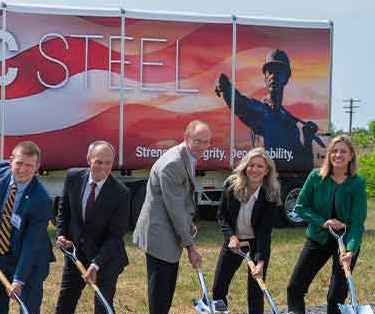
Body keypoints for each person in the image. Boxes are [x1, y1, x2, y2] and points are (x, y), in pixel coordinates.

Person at [134, 120, 211, 314]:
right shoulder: (173, 164)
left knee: (166, 288)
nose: (204, 146)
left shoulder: (187, 155)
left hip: (167, 231)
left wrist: (188, 221)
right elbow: (174, 209)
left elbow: (181, 198)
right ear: (186, 138)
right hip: (160, 236)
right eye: (199, 141)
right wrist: (190, 247)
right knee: (161, 292)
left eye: (207, 142)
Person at [286, 135, 367, 313]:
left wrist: (350, 250)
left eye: (343, 151)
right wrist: (323, 222)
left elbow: (357, 222)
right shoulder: (316, 177)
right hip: (318, 238)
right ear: (329, 154)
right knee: (295, 287)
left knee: (336, 297)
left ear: (351, 155)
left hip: (345, 242)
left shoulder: (357, 183)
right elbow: (300, 207)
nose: (338, 155)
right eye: (335, 151)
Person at [0, 141, 54, 314]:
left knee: (28, 309)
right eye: (19, 163)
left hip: (30, 261)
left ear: (37, 167)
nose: (23, 169)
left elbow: (32, 243)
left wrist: (18, 279)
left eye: (29, 165)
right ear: (11, 161)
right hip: (0, 253)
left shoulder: (41, 200)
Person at [53, 141, 130, 314]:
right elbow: (63, 210)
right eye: (98, 161)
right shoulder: (73, 177)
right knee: (64, 304)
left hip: (106, 259)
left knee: (103, 306)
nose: (103, 167)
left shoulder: (121, 193)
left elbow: (116, 235)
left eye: (108, 163)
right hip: (76, 255)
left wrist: (96, 265)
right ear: (89, 159)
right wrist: (61, 234)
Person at [215, 49, 320, 167]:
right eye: (270, 72)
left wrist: (307, 140)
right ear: (265, 78)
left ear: (286, 78)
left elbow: (305, 165)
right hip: (264, 180)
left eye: (279, 72)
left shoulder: (291, 124)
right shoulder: (258, 111)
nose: (273, 76)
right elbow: (238, 103)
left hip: (287, 180)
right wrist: (226, 87)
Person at [209, 148, 281, 314]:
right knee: (219, 286)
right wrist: (231, 237)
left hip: (256, 243)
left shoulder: (270, 194)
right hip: (234, 242)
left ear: (267, 171)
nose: (254, 170)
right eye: (251, 165)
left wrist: (261, 260)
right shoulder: (232, 185)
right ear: (245, 166)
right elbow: (222, 216)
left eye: (260, 166)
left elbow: (265, 231)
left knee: (256, 289)